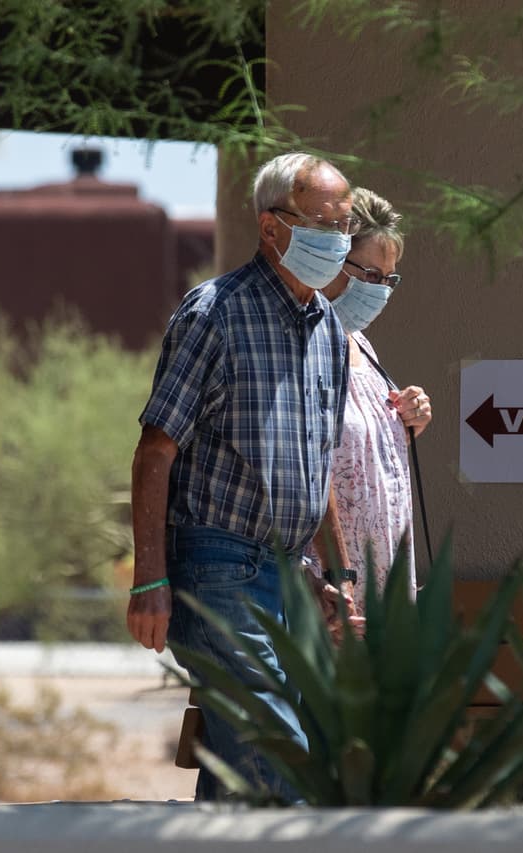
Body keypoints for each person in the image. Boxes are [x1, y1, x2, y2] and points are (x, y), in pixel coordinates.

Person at [125, 152, 356, 802]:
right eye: (322, 222)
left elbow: (323, 462)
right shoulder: (215, 313)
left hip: (290, 572)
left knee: (245, 767)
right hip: (218, 565)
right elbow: (155, 451)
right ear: (271, 226)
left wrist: (338, 577)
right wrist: (150, 578)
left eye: (345, 222)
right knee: (277, 752)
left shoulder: (330, 333)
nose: (338, 238)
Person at [312, 188, 432, 609]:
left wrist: (409, 419)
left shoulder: (363, 346)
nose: (380, 290)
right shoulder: (299, 345)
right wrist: (331, 580)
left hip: (387, 584)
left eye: (389, 279)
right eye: (370, 275)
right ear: (332, 260)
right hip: (330, 589)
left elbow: (364, 455)